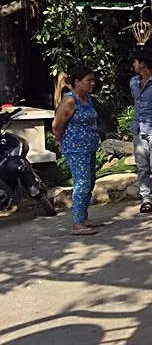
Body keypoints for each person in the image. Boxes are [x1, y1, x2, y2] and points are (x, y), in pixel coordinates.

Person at [52, 65, 105, 236]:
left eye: (93, 80)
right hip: (75, 149)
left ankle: (84, 218)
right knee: (82, 183)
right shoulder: (69, 100)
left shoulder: (87, 98)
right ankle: (77, 223)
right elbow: (57, 125)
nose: (92, 83)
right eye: (89, 80)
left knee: (90, 182)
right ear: (77, 82)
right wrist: (62, 142)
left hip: (89, 147)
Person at [130, 48, 152, 214]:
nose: (133, 65)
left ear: (142, 64)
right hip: (138, 129)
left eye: (135, 62)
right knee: (142, 167)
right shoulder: (133, 83)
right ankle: (146, 199)